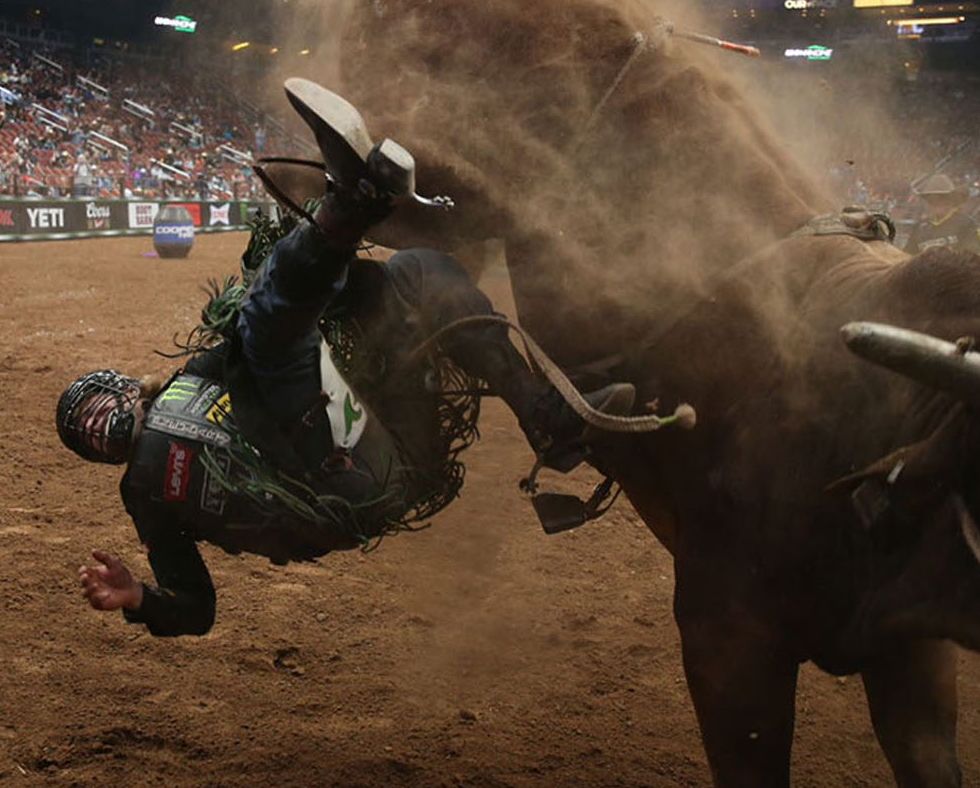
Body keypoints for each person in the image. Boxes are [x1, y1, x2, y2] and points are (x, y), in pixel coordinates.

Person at [63, 79, 641, 637]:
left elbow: (251, 329)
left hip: (397, 452)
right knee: (265, 334)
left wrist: (295, 277)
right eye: (83, 435)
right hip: (331, 492)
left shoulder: (192, 379)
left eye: (92, 407)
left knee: (416, 271)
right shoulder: (144, 497)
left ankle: (544, 418)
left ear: (127, 389)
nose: (92, 425)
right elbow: (195, 609)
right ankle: (356, 200)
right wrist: (138, 597)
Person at [905, 174, 980, 256]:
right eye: (930, 199)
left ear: (950, 200)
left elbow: (978, 254)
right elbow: (907, 256)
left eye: (940, 198)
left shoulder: (966, 224)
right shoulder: (919, 228)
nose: (935, 203)